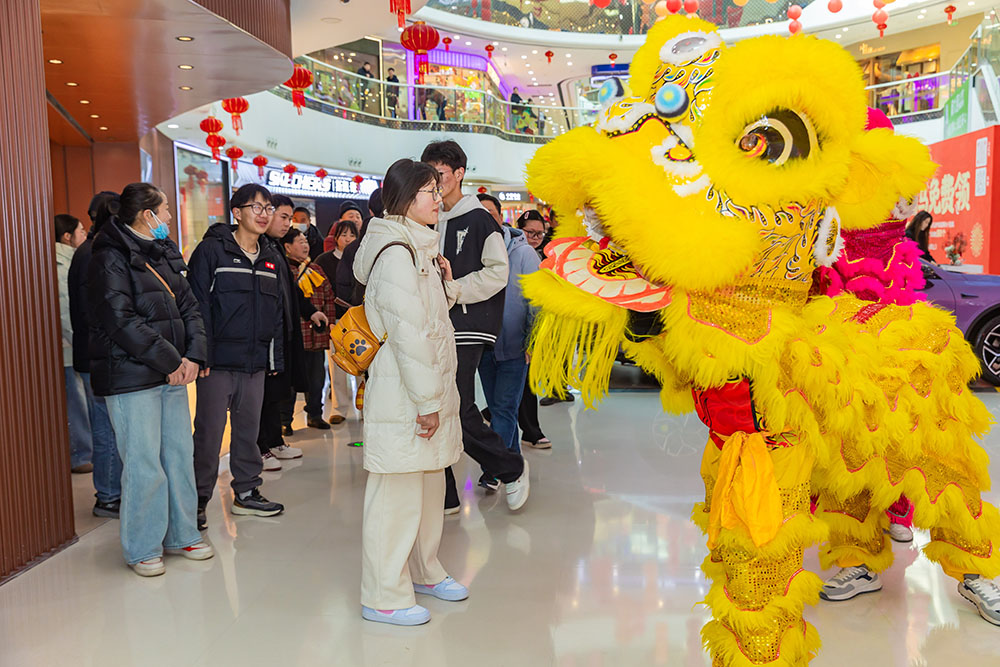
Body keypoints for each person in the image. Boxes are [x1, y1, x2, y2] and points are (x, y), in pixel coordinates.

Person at [353, 158, 466, 626]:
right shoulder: (396, 252)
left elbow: (427, 316)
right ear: (404, 198)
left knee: (427, 485)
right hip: (405, 394)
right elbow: (407, 335)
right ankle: (384, 593)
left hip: (422, 388)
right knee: (395, 495)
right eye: (429, 192)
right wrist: (427, 403)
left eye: (438, 190)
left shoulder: (419, 246)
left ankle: (424, 569)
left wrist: (446, 283)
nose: (438, 199)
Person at [88, 182, 212, 576]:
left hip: (172, 372)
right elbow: (120, 320)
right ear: (148, 215)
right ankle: (142, 547)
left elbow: (190, 306)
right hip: (131, 377)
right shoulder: (108, 256)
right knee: (143, 464)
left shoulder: (164, 251)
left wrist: (194, 355)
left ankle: (182, 533)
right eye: (166, 209)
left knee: (178, 456)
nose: (170, 217)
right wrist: (172, 360)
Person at [421, 139, 529, 513]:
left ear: (459, 173)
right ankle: (447, 493)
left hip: (468, 325)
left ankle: (511, 466)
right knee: (435, 405)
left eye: (440, 173)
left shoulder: (480, 219)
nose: (434, 181)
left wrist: (455, 290)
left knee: (458, 406)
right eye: (429, 174)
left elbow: (498, 273)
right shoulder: (427, 216)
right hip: (432, 326)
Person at [188, 183, 286, 532]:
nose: (263, 214)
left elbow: (277, 314)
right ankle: (197, 500)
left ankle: (246, 491)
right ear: (237, 212)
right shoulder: (212, 251)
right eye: (256, 207)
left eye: (268, 208)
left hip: (255, 363)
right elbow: (196, 306)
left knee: (248, 432)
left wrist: (274, 360)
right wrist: (200, 355)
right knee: (209, 435)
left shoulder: (272, 257)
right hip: (217, 363)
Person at [70, 193, 125, 516]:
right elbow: (95, 312)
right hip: (98, 355)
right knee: (106, 428)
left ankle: (111, 491)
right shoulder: (94, 253)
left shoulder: (88, 250)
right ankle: (108, 495)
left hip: (93, 353)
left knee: (107, 426)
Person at [261, 194, 327, 452]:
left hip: (285, 332)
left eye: (290, 218)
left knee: (281, 386)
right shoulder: (260, 247)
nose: (287, 223)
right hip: (266, 335)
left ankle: (275, 442)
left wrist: (311, 312)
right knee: (270, 392)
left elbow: (290, 289)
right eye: (284, 217)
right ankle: (265, 446)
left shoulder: (273, 248)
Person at [477, 203, 542, 455]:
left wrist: (532, 342)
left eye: (490, 213)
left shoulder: (524, 253)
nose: (485, 218)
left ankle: (497, 467)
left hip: (515, 347)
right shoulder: (474, 251)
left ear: (501, 217)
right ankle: (512, 464)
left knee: (504, 409)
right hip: (484, 346)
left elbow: (535, 303)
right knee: (498, 409)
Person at [283, 227, 336, 430]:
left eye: (306, 241)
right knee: (290, 382)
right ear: (288, 247)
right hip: (295, 336)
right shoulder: (284, 271)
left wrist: (328, 324)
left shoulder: (316, 270)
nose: (305, 245)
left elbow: (329, 297)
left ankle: (315, 415)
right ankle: (285, 421)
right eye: (300, 242)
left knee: (316, 379)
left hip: (316, 334)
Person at [55, 214, 93, 475]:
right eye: (81, 231)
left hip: (74, 345)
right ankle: (80, 456)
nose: (85, 235)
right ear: (67, 236)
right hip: (69, 347)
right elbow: (65, 312)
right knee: (76, 403)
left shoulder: (71, 260)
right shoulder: (61, 265)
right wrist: (80, 340)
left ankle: (84, 452)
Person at [314, 219, 359, 424]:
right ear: (336, 237)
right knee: (337, 366)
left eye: (352, 235)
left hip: (358, 320)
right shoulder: (324, 260)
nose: (348, 239)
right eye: (344, 235)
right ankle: (339, 409)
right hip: (336, 320)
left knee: (362, 363)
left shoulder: (361, 257)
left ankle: (365, 407)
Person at [515, 211, 551, 449]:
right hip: (516, 325)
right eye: (530, 232)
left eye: (540, 234)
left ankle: (491, 413)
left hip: (537, 324)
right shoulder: (512, 252)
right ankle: (531, 431)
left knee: (526, 377)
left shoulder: (546, 255)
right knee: (525, 379)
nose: (536, 238)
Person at [335, 189, 383, 319]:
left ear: (370, 211)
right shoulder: (407, 241)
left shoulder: (353, 248)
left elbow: (343, 286)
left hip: (360, 318)